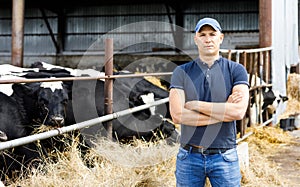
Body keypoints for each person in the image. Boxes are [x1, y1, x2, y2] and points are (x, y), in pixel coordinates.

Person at [169, 17, 249, 187]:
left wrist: (197, 105)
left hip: (224, 156)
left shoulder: (236, 70)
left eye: (212, 34)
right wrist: (224, 111)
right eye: (202, 34)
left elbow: (238, 112)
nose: (208, 39)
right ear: (195, 39)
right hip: (189, 156)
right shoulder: (181, 72)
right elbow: (177, 115)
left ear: (220, 38)